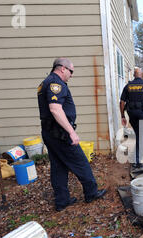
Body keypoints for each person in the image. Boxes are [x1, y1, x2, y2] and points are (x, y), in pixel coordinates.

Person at [37, 57, 106, 211]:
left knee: (58, 166)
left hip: (49, 132)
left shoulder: (45, 83)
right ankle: (91, 193)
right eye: (71, 71)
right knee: (81, 162)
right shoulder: (55, 83)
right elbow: (55, 109)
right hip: (60, 134)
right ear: (62, 68)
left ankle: (62, 201)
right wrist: (71, 132)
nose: (71, 75)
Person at [119, 67, 143, 168]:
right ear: (142, 75)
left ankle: (141, 156)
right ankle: (137, 161)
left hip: (132, 115)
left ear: (134, 75)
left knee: (140, 136)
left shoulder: (128, 86)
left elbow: (122, 102)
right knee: (141, 137)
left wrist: (123, 116)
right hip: (142, 115)